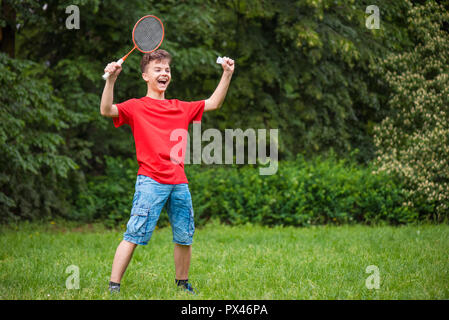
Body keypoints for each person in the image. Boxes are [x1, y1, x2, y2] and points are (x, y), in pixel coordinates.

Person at [100, 49, 234, 294]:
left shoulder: (180, 107)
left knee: (185, 235)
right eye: (158, 70)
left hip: (179, 182)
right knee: (134, 233)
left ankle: (182, 285)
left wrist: (227, 73)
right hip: (150, 181)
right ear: (145, 77)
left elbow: (214, 103)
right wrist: (111, 80)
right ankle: (113, 286)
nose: (164, 73)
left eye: (167, 70)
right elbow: (107, 110)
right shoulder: (135, 106)